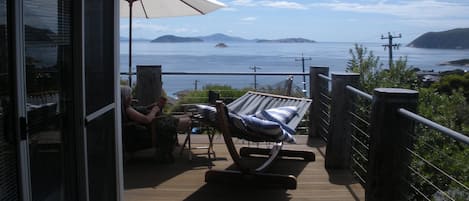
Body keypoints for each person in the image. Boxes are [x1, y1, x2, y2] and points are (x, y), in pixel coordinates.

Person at [121, 86, 191, 163]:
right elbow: (146, 120)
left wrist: (152, 106)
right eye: (130, 95)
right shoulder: (128, 109)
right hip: (155, 127)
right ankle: (188, 119)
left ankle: (186, 118)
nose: (131, 97)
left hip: (155, 124)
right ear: (126, 97)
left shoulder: (127, 107)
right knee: (186, 121)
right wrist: (154, 111)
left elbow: (142, 110)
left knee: (180, 117)